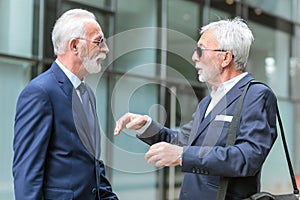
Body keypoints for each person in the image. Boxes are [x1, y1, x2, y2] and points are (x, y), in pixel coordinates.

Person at [114, 17, 277, 200]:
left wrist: (183, 155)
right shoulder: (208, 101)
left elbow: (248, 157)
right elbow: (182, 143)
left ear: (225, 58)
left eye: (201, 50)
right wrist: (146, 125)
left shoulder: (256, 95)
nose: (194, 57)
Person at [13, 9, 118, 199]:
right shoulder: (40, 92)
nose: (106, 49)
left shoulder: (87, 94)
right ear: (75, 46)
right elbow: (27, 174)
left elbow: (92, 165)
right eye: (99, 41)